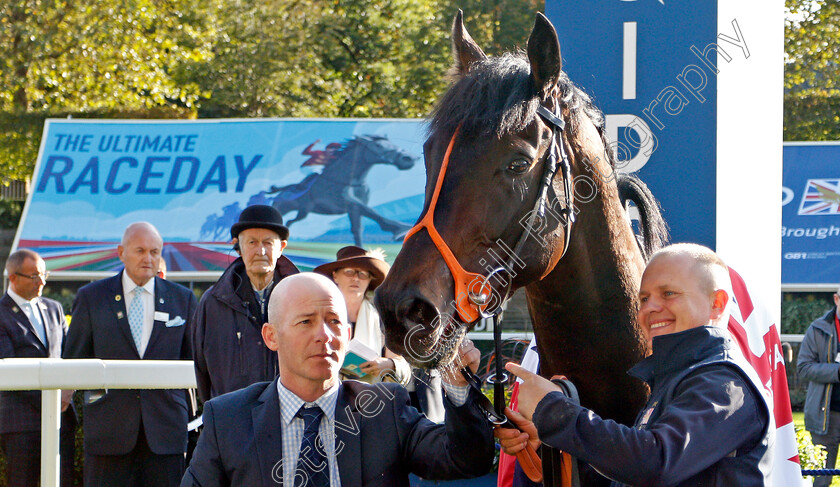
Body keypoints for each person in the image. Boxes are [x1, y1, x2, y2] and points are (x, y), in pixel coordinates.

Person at [496, 243, 775, 486]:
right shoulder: (680, 378)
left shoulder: (724, 383)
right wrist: (551, 446)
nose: (649, 307)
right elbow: (634, 475)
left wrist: (554, 411)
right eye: (643, 298)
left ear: (717, 303)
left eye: (668, 294)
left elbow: (655, 463)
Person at [181, 273, 495, 487]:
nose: (324, 336)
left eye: (334, 322)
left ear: (347, 336)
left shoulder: (385, 409)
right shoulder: (228, 420)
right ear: (271, 336)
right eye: (306, 322)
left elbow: (466, 459)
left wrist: (457, 386)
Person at [63, 222, 198, 487]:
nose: (148, 258)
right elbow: (73, 362)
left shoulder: (182, 299)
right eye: (140, 251)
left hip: (166, 433)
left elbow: (194, 363)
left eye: (155, 252)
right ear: (121, 252)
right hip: (107, 433)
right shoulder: (92, 297)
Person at [192, 204, 299, 402]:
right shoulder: (213, 302)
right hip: (232, 420)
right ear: (238, 246)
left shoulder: (300, 298)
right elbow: (202, 369)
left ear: (282, 247)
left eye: (268, 242)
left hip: (290, 416)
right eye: (252, 242)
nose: (260, 250)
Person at [0, 249, 76, 487]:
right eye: (34, 276)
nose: (41, 282)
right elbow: (9, 368)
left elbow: (69, 353)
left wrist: (68, 391)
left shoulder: (53, 308)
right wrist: (53, 397)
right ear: (13, 277)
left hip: (61, 420)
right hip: (21, 424)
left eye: (44, 275)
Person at [314, 246, 411, 384]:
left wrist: (387, 365)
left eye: (363, 274)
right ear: (335, 276)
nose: (355, 278)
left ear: (369, 280)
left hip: (369, 399)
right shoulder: (319, 314)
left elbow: (403, 367)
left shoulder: (383, 318)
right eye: (349, 272)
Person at [797, 286, 840, 487]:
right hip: (826, 416)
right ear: (836, 299)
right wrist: (836, 372)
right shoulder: (817, 328)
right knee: (822, 479)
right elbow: (804, 368)